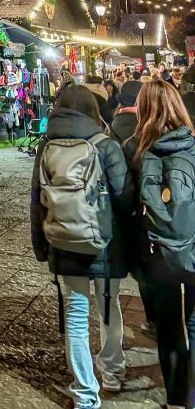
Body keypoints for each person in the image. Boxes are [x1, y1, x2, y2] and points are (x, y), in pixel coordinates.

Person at [31, 85, 133, 408]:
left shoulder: (46, 145)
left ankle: (85, 392)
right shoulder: (106, 145)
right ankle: (112, 372)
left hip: (65, 244)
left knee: (76, 314)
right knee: (108, 308)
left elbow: (37, 202)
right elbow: (125, 198)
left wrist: (41, 246)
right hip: (105, 244)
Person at [132, 81, 195, 409]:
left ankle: (177, 400)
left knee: (171, 330)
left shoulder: (141, 150)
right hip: (192, 249)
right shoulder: (193, 144)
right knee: (192, 326)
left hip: (164, 258)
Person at [109, 79, 157, 340]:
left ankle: (152, 319)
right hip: (156, 211)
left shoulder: (113, 129)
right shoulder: (152, 129)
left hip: (132, 212)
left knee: (143, 270)